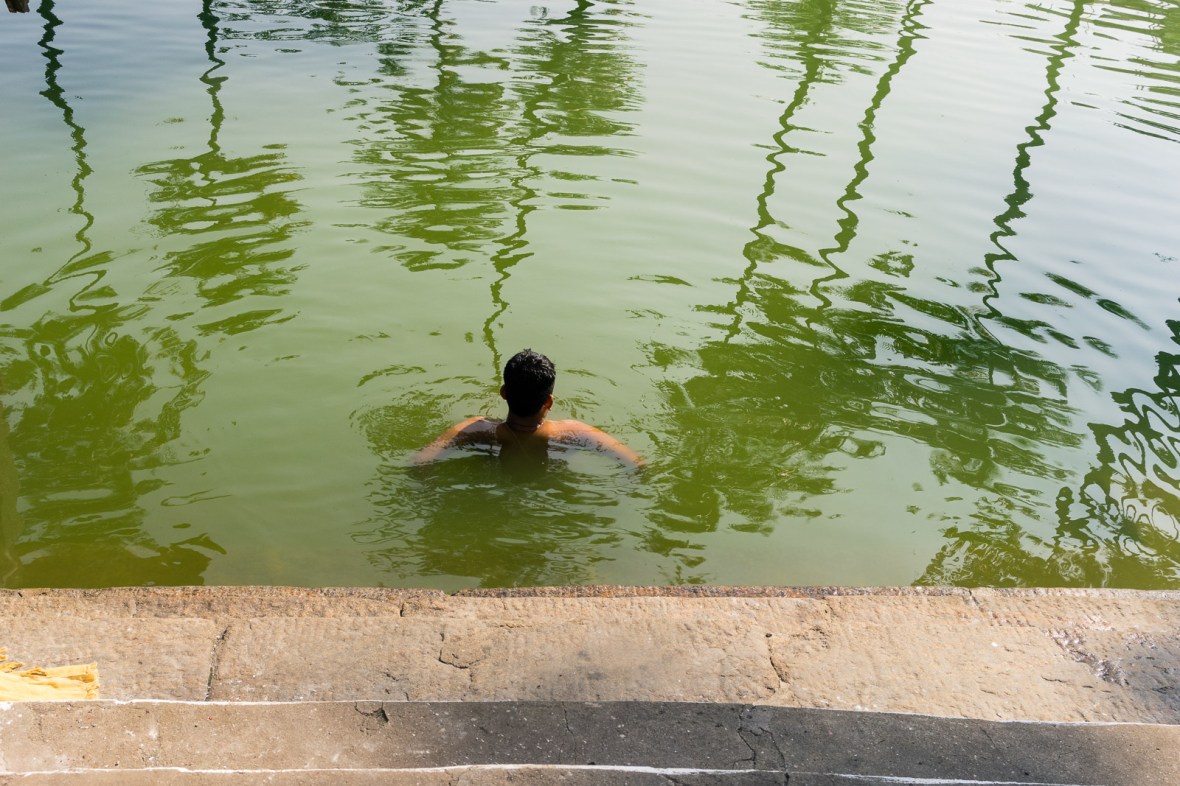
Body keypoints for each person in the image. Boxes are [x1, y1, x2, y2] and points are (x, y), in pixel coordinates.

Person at [412, 349, 644, 468]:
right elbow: (637, 465)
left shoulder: (478, 429)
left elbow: (420, 463)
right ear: (549, 402)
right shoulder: (575, 432)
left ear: (503, 393)